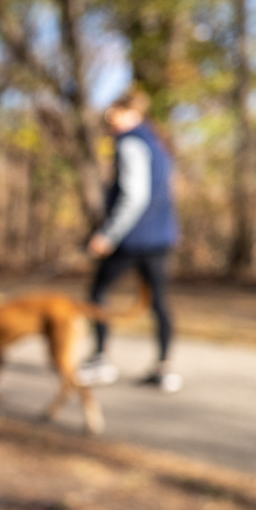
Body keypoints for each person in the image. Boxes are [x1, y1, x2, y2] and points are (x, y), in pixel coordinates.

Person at [78, 89, 183, 393]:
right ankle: (164, 368)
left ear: (129, 113)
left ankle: (100, 361)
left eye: (113, 118)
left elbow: (135, 196)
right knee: (159, 301)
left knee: (98, 292)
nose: (110, 125)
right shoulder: (157, 142)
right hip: (161, 237)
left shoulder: (130, 143)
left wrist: (108, 235)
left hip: (133, 238)